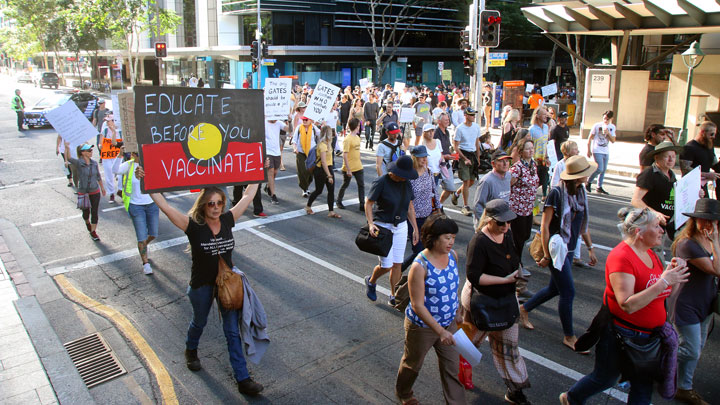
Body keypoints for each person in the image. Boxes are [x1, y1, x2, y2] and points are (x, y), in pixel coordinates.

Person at [559, 207, 689, 405]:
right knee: (605, 378)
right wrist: (664, 281)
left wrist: (674, 274)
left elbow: (665, 292)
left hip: (649, 336)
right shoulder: (622, 257)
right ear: (639, 233)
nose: (662, 230)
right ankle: (573, 398)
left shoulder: (651, 254)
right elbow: (627, 304)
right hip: (623, 335)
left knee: (643, 387)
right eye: (656, 226)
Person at [146, 184, 265, 397]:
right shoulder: (192, 226)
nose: (216, 207)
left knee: (232, 332)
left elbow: (247, 195)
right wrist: (148, 182)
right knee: (199, 322)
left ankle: (243, 379)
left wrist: (257, 172)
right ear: (203, 206)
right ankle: (191, 350)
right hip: (201, 285)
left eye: (220, 203)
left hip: (227, 285)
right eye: (211, 204)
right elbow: (164, 206)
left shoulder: (228, 219)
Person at [519, 156, 598, 350]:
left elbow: (582, 224)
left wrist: (590, 248)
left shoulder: (581, 192)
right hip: (556, 249)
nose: (588, 177)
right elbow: (545, 226)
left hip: (570, 249)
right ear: (577, 177)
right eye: (585, 174)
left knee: (555, 288)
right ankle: (569, 336)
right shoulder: (556, 193)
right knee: (568, 291)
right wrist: (546, 255)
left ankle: (524, 308)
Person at [462, 199, 532, 405]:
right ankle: (456, 375)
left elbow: (513, 258)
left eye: (508, 222)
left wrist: (517, 274)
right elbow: (474, 276)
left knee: (509, 349)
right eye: (501, 223)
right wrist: (504, 279)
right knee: (469, 345)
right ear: (489, 220)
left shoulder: (507, 234)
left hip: (506, 300)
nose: (506, 226)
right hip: (481, 302)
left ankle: (515, 390)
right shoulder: (479, 242)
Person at [396, 213, 464, 405]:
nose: (451, 242)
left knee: (452, 368)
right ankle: (404, 393)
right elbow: (417, 305)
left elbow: (453, 286)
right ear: (433, 238)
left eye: (453, 237)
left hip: (448, 323)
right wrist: (439, 331)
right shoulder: (420, 266)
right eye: (447, 237)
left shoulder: (453, 256)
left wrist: (457, 311)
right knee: (412, 365)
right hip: (422, 328)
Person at [671, 199, 720, 405]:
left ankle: (683, 386)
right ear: (695, 220)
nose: (708, 224)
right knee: (690, 350)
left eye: (713, 221)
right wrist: (716, 242)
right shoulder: (687, 244)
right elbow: (716, 269)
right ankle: (658, 362)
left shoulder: (711, 239)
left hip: (706, 302)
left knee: (696, 349)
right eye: (704, 220)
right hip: (686, 303)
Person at [364, 155, 419, 305]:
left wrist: (415, 228)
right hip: (383, 227)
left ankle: (394, 295)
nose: (405, 178)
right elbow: (368, 203)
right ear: (396, 172)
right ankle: (371, 280)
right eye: (403, 176)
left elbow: (410, 207)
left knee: (397, 264)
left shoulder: (406, 184)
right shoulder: (381, 182)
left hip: (401, 226)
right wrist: (370, 223)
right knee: (387, 265)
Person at [114, 152, 158, 275]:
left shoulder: (151, 164)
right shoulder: (128, 165)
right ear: (133, 154)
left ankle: (143, 244)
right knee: (141, 236)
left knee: (153, 233)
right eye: (137, 153)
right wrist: (119, 155)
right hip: (136, 206)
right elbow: (115, 170)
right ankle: (145, 263)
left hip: (152, 204)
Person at [400, 145, 442, 271]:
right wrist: (414, 228)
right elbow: (408, 201)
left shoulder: (428, 171)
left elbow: (434, 191)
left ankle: (407, 271)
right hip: (413, 218)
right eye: (421, 157)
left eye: (425, 157)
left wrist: (438, 211)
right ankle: (401, 269)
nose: (424, 159)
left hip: (428, 216)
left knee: (426, 250)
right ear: (414, 158)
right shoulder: (408, 176)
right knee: (418, 250)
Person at [632, 141, 683, 242]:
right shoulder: (649, 174)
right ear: (656, 158)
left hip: (663, 225)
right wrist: (654, 213)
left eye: (673, 156)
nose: (671, 159)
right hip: (649, 225)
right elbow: (636, 200)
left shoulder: (671, 175)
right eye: (667, 156)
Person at [508, 140, 539, 296]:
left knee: (525, 236)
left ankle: (517, 263)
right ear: (520, 152)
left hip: (528, 208)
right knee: (518, 239)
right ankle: (516, 266)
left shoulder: (533, 165)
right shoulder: (517, 168)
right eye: (528, 149)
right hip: (517, 209)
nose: (531, 151)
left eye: (532, 148)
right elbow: (509, 186)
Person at [550, 141, 586, 268]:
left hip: (574, 202)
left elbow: (584, 227)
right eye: (575, 149)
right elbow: (554, 182)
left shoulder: (581, 190)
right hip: (564, 201)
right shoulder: (561, 165)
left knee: (576, 230)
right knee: (564, 228)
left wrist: (590, 247)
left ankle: (576, 256)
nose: (577, 151)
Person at [65, 144, 106, 241]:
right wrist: (67, 148)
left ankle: (93, 232)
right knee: (86, 213)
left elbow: (98, 176)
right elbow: (70, 158)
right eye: (89, 150)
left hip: (94, 191)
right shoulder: (79, 163)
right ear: (82, 153)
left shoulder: (94, 163)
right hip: (84, 192)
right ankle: (87, 222)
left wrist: (102, 188)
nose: (91, 152)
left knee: (95, 212)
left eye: (91, 150)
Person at [305, 125, 340, 219]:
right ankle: (308, 206)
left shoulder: (328, 144)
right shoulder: (322, 145)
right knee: (318, 190)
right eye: (331, 133)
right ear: (327, 134)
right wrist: (329, 175)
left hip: (329, 168)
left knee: (331, 190)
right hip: (321, 170)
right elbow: (323, 162)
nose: (333, 134)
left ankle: (331, 211)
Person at [452, 107, 482, 216]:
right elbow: (456, 146)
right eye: (471, 115)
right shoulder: (460, 128)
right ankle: (465, 206)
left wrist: (478, 158)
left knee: (471, 181)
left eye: (474, 115)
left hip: (473, 155)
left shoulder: (476, 127)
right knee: (466, 181)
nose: (474, 116)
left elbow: (477, 143)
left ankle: (456, 193)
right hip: (463, 155)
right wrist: (465, 159)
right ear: (466, 115)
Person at [472, 149, 512, 228]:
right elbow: (478, 206)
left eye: (507, 161)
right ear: (493, 164)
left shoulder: (508, 175)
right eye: (501, 161)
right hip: (489, 224)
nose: (505, 164)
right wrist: (483, 225)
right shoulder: (487, 181)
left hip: (502, 221)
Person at [680, 121, 719, 199]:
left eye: (715, 134)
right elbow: (685, 169)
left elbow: (715, 164)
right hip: (691, 186)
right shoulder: (689, 147)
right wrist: (706, 174)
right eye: (711, 134)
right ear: (702, 132)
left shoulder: (709, 147)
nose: (713, 137)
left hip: (703, 186)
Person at [337, 118, 365, 211]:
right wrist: (348, 169)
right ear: (356, 126)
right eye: (359, 125)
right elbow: (344, 155)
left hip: (358, 166)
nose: (360, 126)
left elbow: (358, 152)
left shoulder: (357, 137)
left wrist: (360, 161)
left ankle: (362, 204)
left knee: (361, 185)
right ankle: (338, 201)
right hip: (349, 167)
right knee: (345, 184)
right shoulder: (347, 139)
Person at [586, 110, 616, 194]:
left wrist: (608, 133)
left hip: (605, 150)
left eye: (607, 119)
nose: (605, 121)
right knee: (599, 168)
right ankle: (588, 181)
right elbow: (590, 138)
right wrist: (588, 149)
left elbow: (613, 140)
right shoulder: (597, 125)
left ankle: (599, 187)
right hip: (597, 149)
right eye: (604, 118)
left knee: (603, 170)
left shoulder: (612, 127)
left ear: (611, 119)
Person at [263, 118, 289, 205]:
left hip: (276, 152)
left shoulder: (279, 123)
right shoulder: (264, 122)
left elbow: (289, 130)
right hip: (267, 151)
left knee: (274, 172)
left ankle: (268, 186)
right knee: (270, 172)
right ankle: (273, 195)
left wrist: (290, 121)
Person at [99, 113, 123, 204]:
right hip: (107, 156)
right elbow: (100, 141)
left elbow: (117, 143)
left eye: (108, 121)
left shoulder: (119, 132)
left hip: (117, 156)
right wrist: (100, 145)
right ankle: (111, 193)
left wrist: (114, 132)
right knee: (109, 174)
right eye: (107, 121)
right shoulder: (105, 130)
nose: (107, 123)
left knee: (120, 173)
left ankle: (120, 190)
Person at [292, 116, 318, 198]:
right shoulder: (299, 128)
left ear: (310, 120)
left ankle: (307, 185)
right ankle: (304, 188)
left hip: (311, 153)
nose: (304, 121)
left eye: (306, 120)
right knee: (302, 171)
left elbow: (322, 135)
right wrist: (295, 148)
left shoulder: (314, 128)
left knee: (310, 172)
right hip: (300, 152)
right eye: (303, 120)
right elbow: (294, 140)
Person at [434, 113, 457, 204]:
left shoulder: (447, 132)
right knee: (434, 190)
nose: (448, 121)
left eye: (448, 119)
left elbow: (447, 147)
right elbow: (435, 150)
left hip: (447, 163)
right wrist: (444, 156)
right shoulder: (435, 133)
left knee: (450, 188)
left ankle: (440, 204)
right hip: (438, 165)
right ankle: (435, 207)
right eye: (445, 120)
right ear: (439, 121)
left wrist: (452, 154)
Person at [529, 106, 550, 198]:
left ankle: (544, 196)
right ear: (537, 116)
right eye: (544, 114)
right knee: (535, 180)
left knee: (545, 178)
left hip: (543, 159)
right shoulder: (531, 130)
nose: (546, 116)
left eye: (546, 114)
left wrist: (547, 156)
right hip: (534, 160)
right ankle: (530, 195)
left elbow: (546, 143)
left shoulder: (546, 127)